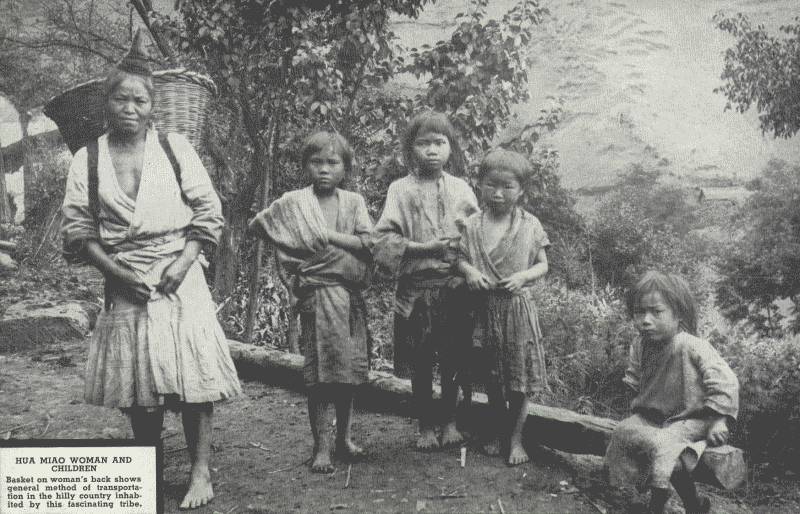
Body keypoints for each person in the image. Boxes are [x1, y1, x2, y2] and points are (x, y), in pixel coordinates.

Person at [60, 32, 241, 510]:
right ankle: (149, 463)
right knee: (138, 382)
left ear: (152, 106)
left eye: (140, 99)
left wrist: (182, 265)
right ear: (106, 103)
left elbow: (208, 213)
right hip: (123, 273)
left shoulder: (175, 148)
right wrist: (116, 274)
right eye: (120, 97)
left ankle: (200, 470)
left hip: (180, 271)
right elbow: (79, 232)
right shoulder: (89, 157)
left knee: (193, 374)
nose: (130, 108)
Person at [249, 131, 373, 473]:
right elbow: (266, 228)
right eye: (316, 162)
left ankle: (344, 438)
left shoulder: (353, 203)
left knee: (346, 373)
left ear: (345, 169)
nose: (324, 169)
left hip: (347, 296)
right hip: (315, 296)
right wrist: (300, 275)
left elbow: (367, 245)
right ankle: (321, 445)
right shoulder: (295, 203)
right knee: (319, 377)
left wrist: (327, 237)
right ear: (306, 166)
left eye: (333, 163)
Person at [373, 111, 479, 450]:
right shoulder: (399, 190)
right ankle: (425, 427)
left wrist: (466, 261)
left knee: (453, 358)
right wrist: (422, 247)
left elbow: (477, 235)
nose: (432, 150)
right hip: (415, 290)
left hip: (452, 287)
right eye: (423, 143)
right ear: (410, 149)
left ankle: (449, 421)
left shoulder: (462, 189)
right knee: (420, 362)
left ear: (451, 148)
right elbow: (384, 239)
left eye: (440, 143)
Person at [605, 271, 739, 514]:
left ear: (677, 315)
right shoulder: (640, 345)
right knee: (622, 431)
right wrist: (634, 407)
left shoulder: (690, 345)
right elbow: (635, 379)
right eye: (639, 312)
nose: (645, 320)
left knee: (665, 443)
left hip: (692, 418)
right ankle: (683, 502)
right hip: (656, 416)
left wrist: (720, 421)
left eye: (656, 312)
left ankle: (657, 502)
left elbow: (725, 380)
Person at [456, 149, 550, 466]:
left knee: (519, 380)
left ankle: (516, 439)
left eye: (507, 187)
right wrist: (469, 272)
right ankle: (497, 431)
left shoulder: (529, 225)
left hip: (517, 310)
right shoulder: (471, 225)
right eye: (491, 185)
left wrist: (524, 275)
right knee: (493, 378)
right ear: (479, 185)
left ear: (521, 190)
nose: (498, 194)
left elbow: (543, 264)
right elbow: (460, 259)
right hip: (483, 310)